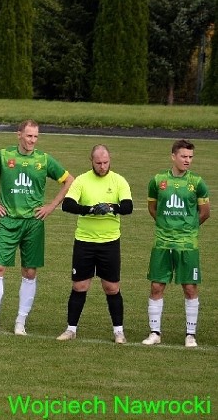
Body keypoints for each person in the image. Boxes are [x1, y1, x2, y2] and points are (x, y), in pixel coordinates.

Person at [0, 119, 73, 336]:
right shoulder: (4, 156)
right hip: (8, 221)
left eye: (36, 136)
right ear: (19, 134)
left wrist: (51, 206)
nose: (32, 141)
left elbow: (69, 180)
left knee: (29, 271)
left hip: (33, 224)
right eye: (29, 136)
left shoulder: (44, 160)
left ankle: (20, 322)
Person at [57, 145, 133, 344]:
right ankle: (71, 329)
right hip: (84, 241)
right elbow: (67, 204)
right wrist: (90, 210)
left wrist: (110, 207)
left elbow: (128, 207)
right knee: (80, 286)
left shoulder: (119, 181)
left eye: (106, 162)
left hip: (109, 242)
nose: (102, 166)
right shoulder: (82, 180)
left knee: (111, 287)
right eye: (98, 163)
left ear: (110, 160)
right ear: (91, 161)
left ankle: (118, 332)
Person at [142, 139, 210, 348]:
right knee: (156, 286)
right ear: (173, 156)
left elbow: (205, 213)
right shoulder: (158, 180)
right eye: (183, 156)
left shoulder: (197, 183)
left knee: (189, 287)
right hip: (162, 242)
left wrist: (187, 229)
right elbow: (153, 208)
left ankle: (190, 335)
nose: (187, 160)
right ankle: (155, 332)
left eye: (190, 157)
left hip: (187, 245)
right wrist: (166, 226)